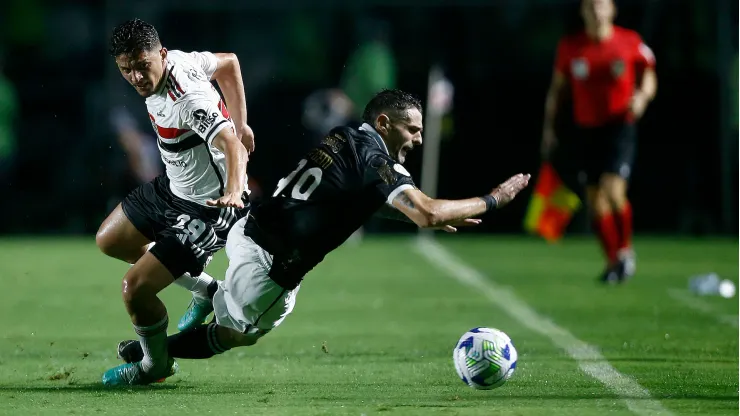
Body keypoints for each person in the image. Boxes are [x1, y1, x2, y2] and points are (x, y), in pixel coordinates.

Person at [110, 89, 530, 385]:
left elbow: (349, 200)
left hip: (247, 230)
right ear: (384, 123)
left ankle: (205, 294)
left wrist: (412, 214)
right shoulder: (376, 161)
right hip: (271, 271)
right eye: (412, 129)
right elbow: (428, 212)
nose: (418, 139)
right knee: (240, 333)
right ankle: (157, 355)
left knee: (228, 299)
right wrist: (493, 199)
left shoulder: (345, 136)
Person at [97, 18, 254, 384]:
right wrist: (243, 121)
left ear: (161, 55)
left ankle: (155, 366)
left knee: (134, 290)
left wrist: (232, 191)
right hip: (173, 187)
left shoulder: (186, 97)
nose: (136, 76)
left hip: (207, 207)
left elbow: (230, 144)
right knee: (111, 240)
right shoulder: (182, 59)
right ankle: (209, 291)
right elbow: (229, 62)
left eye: (142, 65)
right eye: (126, 70)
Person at [541, 0, 657, 283]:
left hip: (619, 126)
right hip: (586, 130)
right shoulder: (571, 47)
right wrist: (549, 129)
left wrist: (641, 97)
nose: (596, 10)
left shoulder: (629, 41)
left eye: (601, 5)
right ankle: (613, 262)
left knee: (613, 189)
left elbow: (649, 76)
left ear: (612, 9)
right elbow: (557, 91)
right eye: (590, 6)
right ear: (582, 11)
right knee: (595, 202)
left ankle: (626, 251)